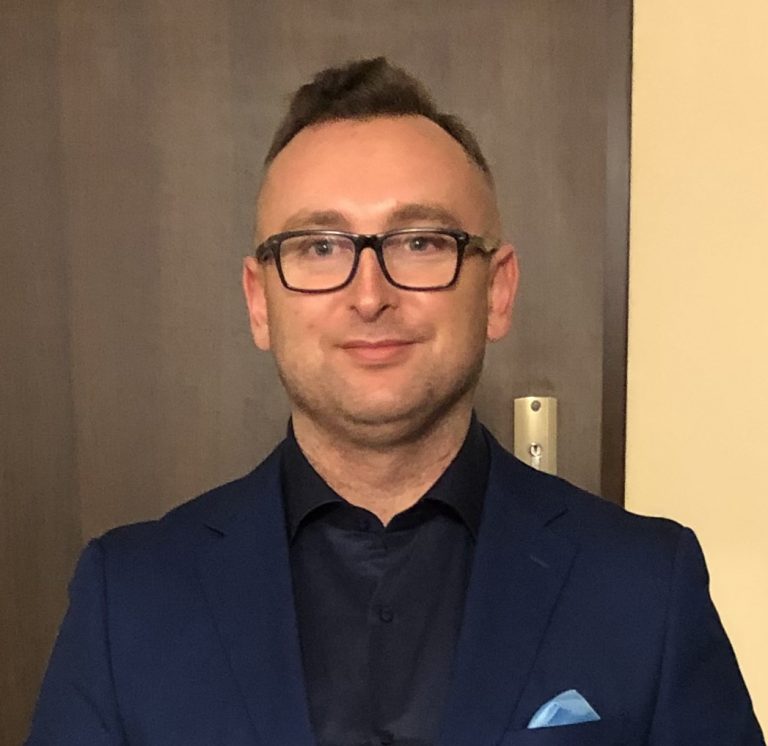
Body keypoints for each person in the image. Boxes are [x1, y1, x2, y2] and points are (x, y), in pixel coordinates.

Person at [28, 57, 762, 746]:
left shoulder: (646, 586)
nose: (370, 295)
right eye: (319, 247)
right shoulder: (127, 599)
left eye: (420, 242)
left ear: (497, 291)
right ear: (258, 301)